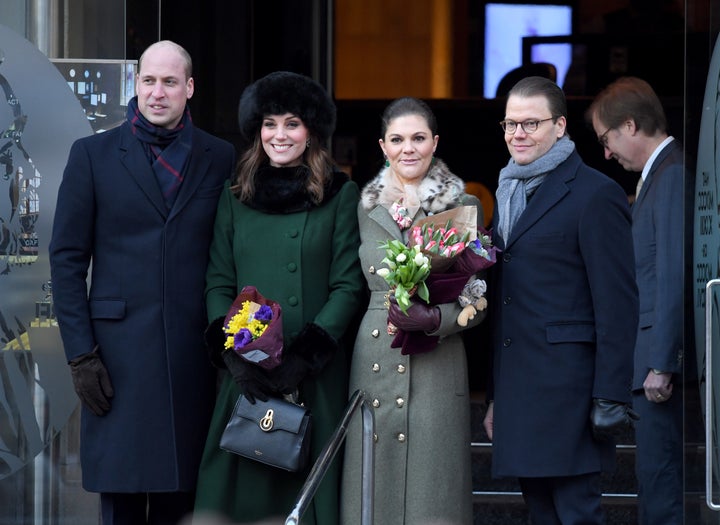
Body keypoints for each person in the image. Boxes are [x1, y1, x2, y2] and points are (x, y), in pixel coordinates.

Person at [49, 40, 235, 524]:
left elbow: (234, 250)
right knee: (122, 502)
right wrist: (80, 354)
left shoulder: (219, 157)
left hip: (192, 359)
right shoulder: (93, 154)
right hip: (115, 360)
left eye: (170, 82)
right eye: (149, 81)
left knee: (184, 501)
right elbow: (67, 259)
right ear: (136, 84)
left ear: (189, 88)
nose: (157, 93)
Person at [193, 71, 365, 524]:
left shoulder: (339, 195)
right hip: (245, 374)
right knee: (240, 495)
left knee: (307, 498)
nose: (280, 135)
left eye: (292, 123)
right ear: (256, 132)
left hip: (312, 374)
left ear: (310, 132)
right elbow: (218, 281)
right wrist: (232, 353)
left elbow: (348, 285)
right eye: (270, 124)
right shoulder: (235, 196)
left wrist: (304, 356)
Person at [482, 76, 639, 525]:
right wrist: (495, 397)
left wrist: (610, 394)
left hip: (572, 393)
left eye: (531, 123)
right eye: (511, 124)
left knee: (577, 514)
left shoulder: (596, 194)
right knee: (542, 515)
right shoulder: (507, 192)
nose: (518, 134)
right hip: (520, 389)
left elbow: (618, 304)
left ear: (561, 126)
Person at [341, 96, 486, 525]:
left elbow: (477, 301)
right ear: (383, 146)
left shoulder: (462, 207)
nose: (409, 148)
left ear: (435, 143)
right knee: (372, 492)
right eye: (398, 139)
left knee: (432, 497)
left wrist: (436, 320)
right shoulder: (363, 208)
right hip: (374, 361)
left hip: (438, 367)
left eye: (419, 138)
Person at [586, 76, 683, 525]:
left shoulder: (672, 174)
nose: (606, 153)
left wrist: (661, 363)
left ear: (630, 125)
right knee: (653, 480)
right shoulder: (659, 176)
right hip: (647, 362)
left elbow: (671, 275)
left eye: (607, 139)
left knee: (661, 485)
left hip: (656, 367)